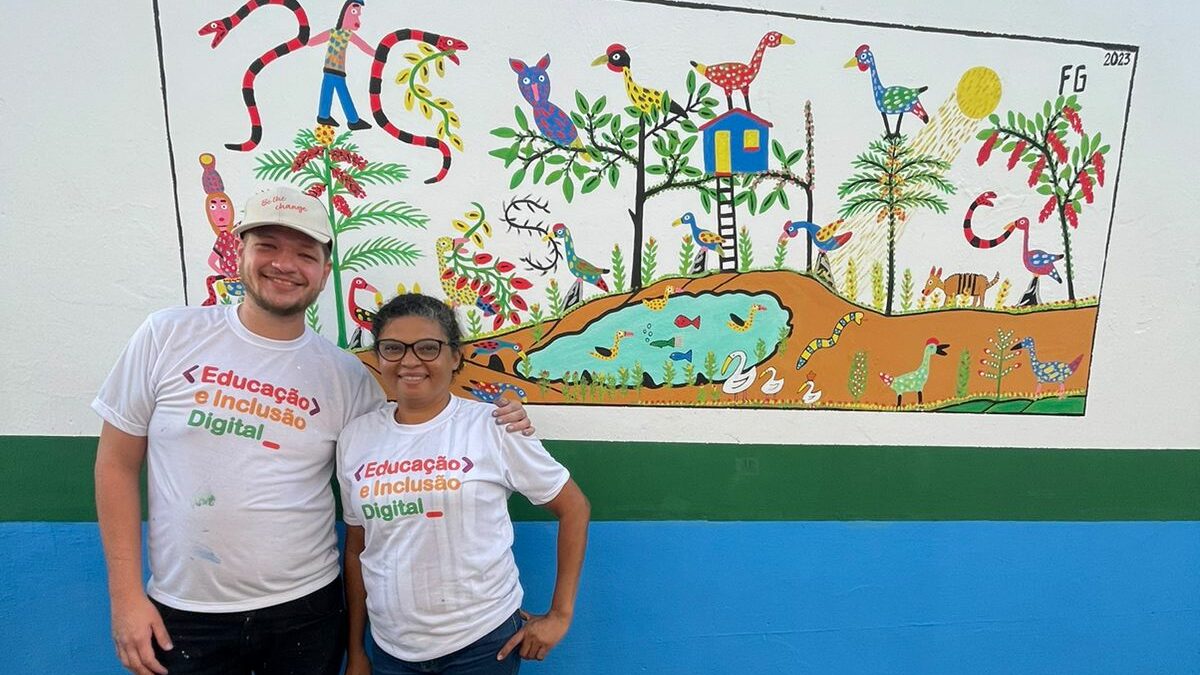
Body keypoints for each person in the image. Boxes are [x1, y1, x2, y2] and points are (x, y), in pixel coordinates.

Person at [93, 186, 532, 675]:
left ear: (324, 273)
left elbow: (416, 424)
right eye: (268, 246)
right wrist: (126, 598)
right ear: (239, 253)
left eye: (305, 254)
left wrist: (502, 412)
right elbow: (115, 463)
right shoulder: (167, 336)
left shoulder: (346, 377)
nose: (285, 264)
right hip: (186, 611)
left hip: (307, 612)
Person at [338, 294, 590, 675]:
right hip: (392, 651)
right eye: (392, 348)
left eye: (427, 348)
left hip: (482, 646)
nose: (409, 361)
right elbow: (358, 550)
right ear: (378, 357)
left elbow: (573, 506)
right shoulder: (356, 438)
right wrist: (357, 649)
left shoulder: (495, 425)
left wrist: (560, 614)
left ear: (455, 357)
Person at [311, 0, 373, 130]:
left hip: (330, 69)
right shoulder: (341, 33)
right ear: (346, 13)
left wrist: (376, 53)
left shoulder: (340, 33)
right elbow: (313, 41)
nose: (357, 18)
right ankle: (353, 120)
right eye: (355, 13)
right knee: (342, 93)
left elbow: (363, 46)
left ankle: (324, 116)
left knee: (327, 90)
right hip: (336, 70)